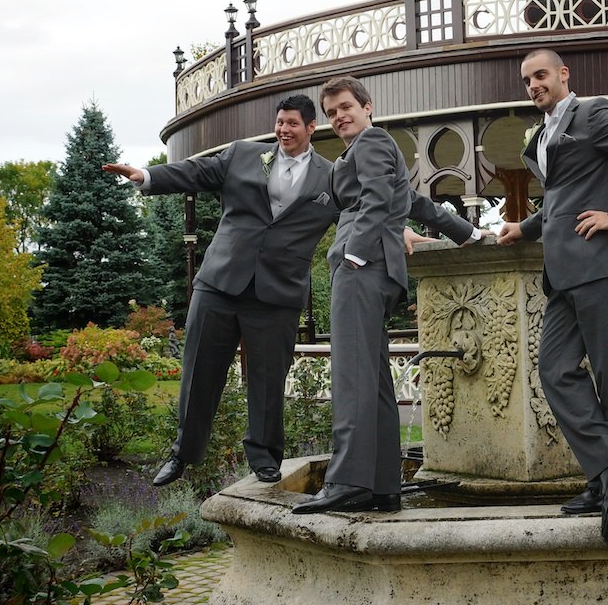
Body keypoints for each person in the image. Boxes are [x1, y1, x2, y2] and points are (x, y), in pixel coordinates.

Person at [103, 95, 431, 487]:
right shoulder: (242, 154)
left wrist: (401, 229)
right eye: (279, 123)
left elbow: (369, 205)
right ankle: (183, 453)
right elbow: (197, 172)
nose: (283, 130)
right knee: (199, 371)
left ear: (311, 128)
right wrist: (148, 176)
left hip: (279, 293)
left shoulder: (330, 175)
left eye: (293, 123)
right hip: (220, 283)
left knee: (269, 380)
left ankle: (264, 457)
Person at [291, 76, 486, 514]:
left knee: (351, 377)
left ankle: (346, 482)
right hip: (376, 269)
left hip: (361, 270)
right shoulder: (360, 152)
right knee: (373, 381)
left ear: (368, 107)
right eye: (332, 112)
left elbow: (380, 198)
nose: (340, 116)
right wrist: (469, 232)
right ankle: (382, 487)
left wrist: (354, 256)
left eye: (346, 107)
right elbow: (414, 202)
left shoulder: (373, 141)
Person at [496, 49, 608, 542]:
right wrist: (521, 229)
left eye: (541, 75)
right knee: (554, 369)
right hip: (563, 269)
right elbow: (561, 198)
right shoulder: (545, 133)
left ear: (563, 75)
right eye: (527, 80)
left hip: (601, 263)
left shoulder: (592, 112)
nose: (533, 85)